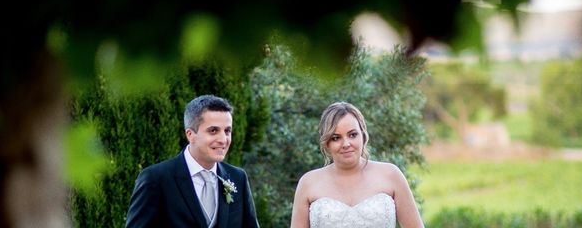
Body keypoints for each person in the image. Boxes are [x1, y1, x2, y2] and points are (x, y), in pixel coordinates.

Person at [126, 94, 260, 227]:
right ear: (190, 135)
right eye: (213, 131)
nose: (223, 139)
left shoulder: (238, 178)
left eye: (227, 131)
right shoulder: (156, 178)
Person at [290, 101, 424, 228]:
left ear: (363, 136)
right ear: (327, 143)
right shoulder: (308, 183)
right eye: (336, 138)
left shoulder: (390, 175)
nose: (346, 144)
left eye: (352, 135)